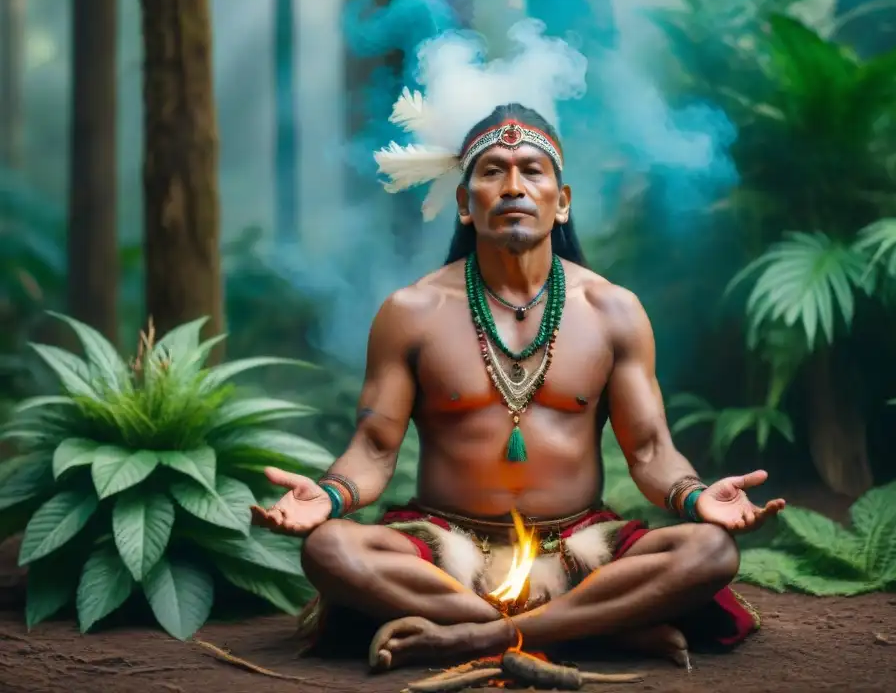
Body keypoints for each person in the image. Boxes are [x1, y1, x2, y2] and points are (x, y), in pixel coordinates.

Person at [251, 95, 785, 673]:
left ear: (562, 203)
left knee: (708, 549)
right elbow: (376, 449)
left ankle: (469, 638)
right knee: (330, 547)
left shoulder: (614, 310)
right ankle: (582, 631)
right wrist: (327, 496)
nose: (512, 185)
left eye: (532, 170)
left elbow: (651, 449)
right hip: (444, 550)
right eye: (491, 171)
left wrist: (696, 495)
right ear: (464, 202)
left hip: (580, 545)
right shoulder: (413, 311)